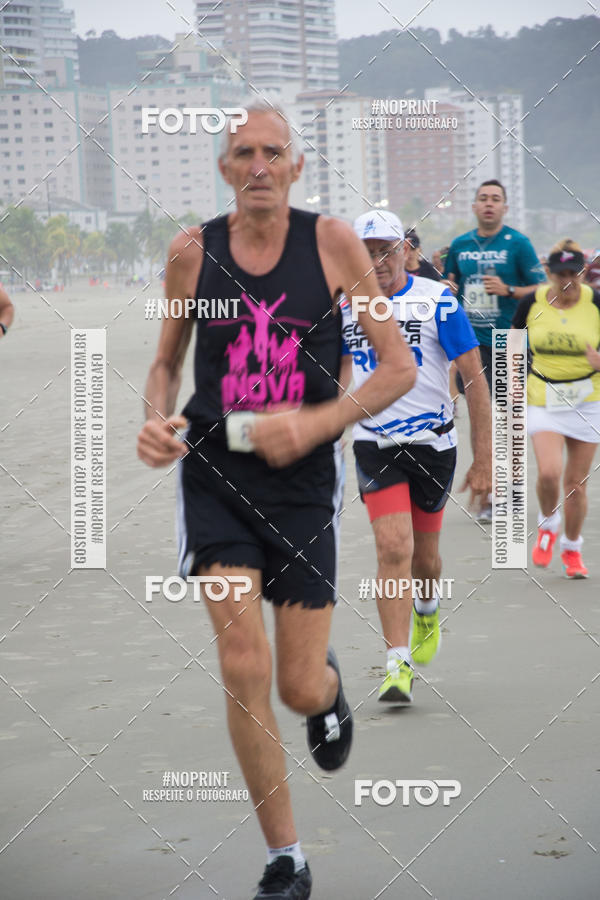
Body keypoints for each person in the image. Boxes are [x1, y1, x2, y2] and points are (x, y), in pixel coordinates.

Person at [137, 101, 416, 900]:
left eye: (273, 152)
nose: (258, 165)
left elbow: (394, 367)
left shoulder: (330, 243)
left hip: (301, 486)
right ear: (224, 169)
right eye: (242, 153)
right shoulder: (191, 252)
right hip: (216, 473)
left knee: (295, 686)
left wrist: (319, 424)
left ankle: (325, 689)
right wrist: (157, 418)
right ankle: (286, 859)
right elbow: (166, 360)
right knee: (241, 661)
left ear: (296, 166)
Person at [341, 210, 491, 703]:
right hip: (373, 442)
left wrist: (483, 459)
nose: (377, 261)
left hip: (433, 445)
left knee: (425, 560)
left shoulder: (437, 301)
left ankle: (428, 607)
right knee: (392, 548)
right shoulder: (346, 305)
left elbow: (473, 378)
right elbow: (337, 375)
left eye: (385, 249)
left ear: (406, 250)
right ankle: (396, 664)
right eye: (366, 252)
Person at [444, 179, 545, 521]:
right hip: (471, 344)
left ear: (504, 207)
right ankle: (487, 494)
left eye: (495, 199)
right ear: (474, 207)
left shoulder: (518, 244)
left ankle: (512, 491)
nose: (489, 204)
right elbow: (449, 286)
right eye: (483, 199)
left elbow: (542, 291)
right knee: (481, 418)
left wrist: (508, 289)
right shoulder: (459, 245)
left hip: (510, 340)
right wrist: (449, 287)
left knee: (510, 420)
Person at [512, 238, 600, 578]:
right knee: (548, 473)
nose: (567, 280)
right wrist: (514, 386)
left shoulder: (596, 304)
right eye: (560, 273)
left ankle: (572, 550)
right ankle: (548, 523)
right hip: (543, 395)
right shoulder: (531, 303)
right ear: (548, 272)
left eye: (574, 273)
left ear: (583, 273)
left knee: (576, 484)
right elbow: (512, 343)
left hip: (588, 399)